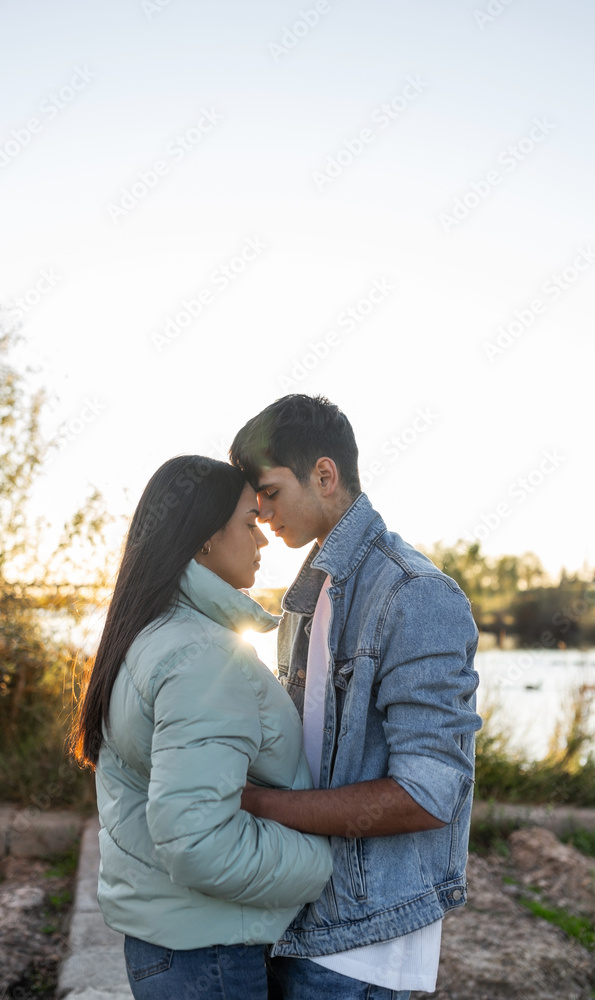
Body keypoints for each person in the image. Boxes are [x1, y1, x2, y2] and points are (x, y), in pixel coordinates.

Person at [230, 395, 482, 1000]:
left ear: (324, 474)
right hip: (300, 914)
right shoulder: (310, 594)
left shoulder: (415, 594)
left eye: (270, 492)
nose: (261, 512)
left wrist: (256, 805)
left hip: (362, 948)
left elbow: (427, 794)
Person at [71, 455, 333, 1000]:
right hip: (209, 954)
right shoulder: (203, 657)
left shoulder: (153, 634)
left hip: (176, 942)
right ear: (204, 540)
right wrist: (323, 863)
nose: (262, 540)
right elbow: (197, 843)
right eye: (249, 523)